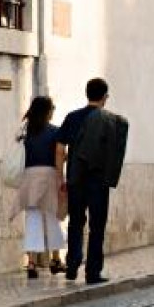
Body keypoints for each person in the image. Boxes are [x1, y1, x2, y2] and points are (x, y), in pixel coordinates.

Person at [56, 78, 128, 285]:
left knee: (76, 222)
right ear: (105, 97)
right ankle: (92, 272)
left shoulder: (72, 117)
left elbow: (60, 148)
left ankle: (71, 264)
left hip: (76, 179)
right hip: (98, 181)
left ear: (87, 94)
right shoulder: (111, 122)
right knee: (97, 226)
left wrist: (60, 176)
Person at [12, 96, 67, 279]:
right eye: (53, 108)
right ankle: (55, 260)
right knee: (52, 217)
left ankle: (32, 263)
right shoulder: (55, 131)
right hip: (49, 176)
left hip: (29, 178)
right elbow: (60, 155)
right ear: (47, 111)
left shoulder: (24, 131)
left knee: (32, 219)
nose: (53, 111)